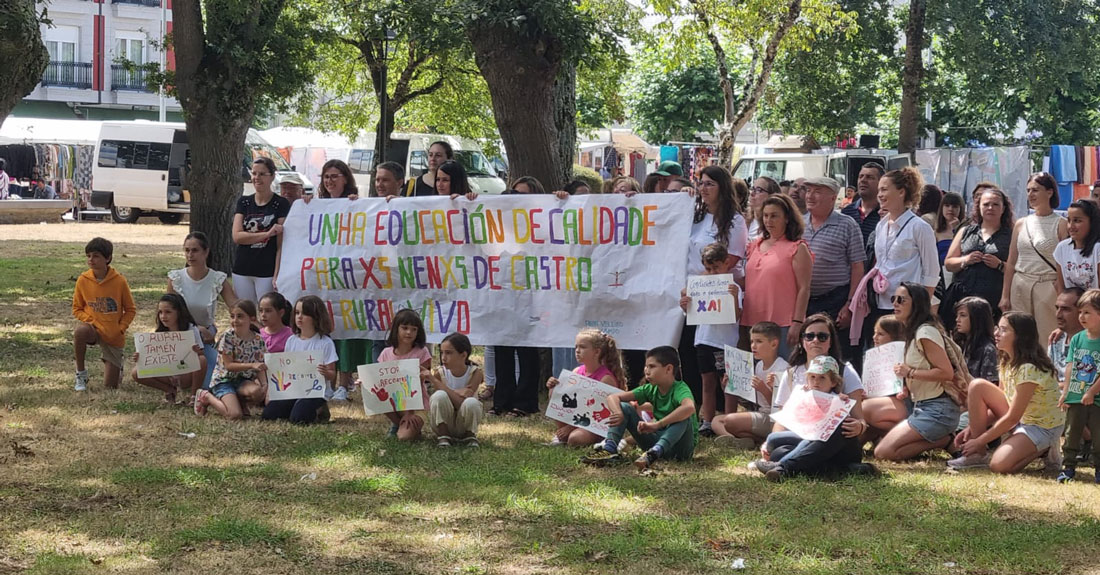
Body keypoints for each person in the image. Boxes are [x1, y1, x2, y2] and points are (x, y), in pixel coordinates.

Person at [948, 313, 1064, 472]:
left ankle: (1046, 448)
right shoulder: (1007, 361)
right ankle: (977, 456)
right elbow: (1002, 403)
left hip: (1041, 426)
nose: (996, 333)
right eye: (997, 328)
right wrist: (972, 428)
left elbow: (1012, 417)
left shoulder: (1028, 368)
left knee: (998, 465)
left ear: (1020, 336)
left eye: (1003, 330)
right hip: (1021, 420)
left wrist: (980, 440)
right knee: (977, 385)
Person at [873, 283, 965, 461]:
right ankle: (943, 440)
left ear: (916, 304)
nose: (895, 304)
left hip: (939, 409)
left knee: (882, 453)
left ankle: (944, 441)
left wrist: (910, 373)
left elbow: (946, 373)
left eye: (901, 300)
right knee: (883, 451)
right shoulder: (913, 332)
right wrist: (908, 388)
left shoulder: (925, 332)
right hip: (921, 406)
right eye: (894, 299)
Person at [857, 167, 939, 351]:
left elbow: (932, 272)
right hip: (880, 302)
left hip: (908, 308)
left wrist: (921, 309)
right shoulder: (881, 225)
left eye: (885, 189)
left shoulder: (919, 227)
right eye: (879, 190)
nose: (880, 195)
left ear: (901, 192)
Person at [753, 355, 869, 481]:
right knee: (777, 449)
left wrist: (855, 421)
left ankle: (783, 467)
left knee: (818, 436)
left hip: (839, 445)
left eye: (822, 378)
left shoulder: (840, 400)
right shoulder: (804, 396)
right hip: (814, 443)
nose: (816, 382)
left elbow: (854, 421)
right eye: (812, 377)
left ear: (833, 382)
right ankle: (846, 470)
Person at [583, 346, 698, 470]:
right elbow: (613, 397)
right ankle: (610, 449)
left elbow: (689, 408)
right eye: (646, 366)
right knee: (624, 407)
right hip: (654, 443)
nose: (646, 371)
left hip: (680, 450)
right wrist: (618, 412)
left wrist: (657, 425)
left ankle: (655, 452)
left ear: (668, 369)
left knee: (683, 417)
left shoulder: (680, 388)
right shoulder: (649, 389)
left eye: (652, 366)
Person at [315, 160, 367, 401]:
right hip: (323, 277)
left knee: (345, 328)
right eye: (326, 176)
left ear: (346, 178)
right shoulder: (315, 206)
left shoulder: (357, 204)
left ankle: (344, 384)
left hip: (348, 277)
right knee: (324, 327)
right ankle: (326, 383)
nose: (330, 181)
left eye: (335, 176)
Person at [802, 176, 866, 368]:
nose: (810, 196)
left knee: (837, 354)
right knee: (807, 352)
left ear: (832, 197)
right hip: (805, 301)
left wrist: (849, 305)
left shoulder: (847, 224)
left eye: (817, 191)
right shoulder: (798, 223)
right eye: (808, 191)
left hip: (835, 300)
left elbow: (857, 266)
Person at [679, 244, 741, 436]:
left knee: (727, 383)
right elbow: (690, 309)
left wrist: (734, 297)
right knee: (707, 382)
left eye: (717, 267)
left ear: (727, 263)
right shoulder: (699, 285)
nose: (713, 272)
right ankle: (707, 421)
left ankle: (731, 420)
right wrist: (684, 304)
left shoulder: (733, 287)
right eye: (709, 268)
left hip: (725, 342)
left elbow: (737, 315)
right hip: (704, 340)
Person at [741, 194, 812, 356]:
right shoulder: (754, 245)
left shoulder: (798, 248)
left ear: (787, 218)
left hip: (783, 325)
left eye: (774, 216)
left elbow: (804, 288)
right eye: (765, 216)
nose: (768, 220)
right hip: (752, 323)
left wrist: (797, 322)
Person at [1001, 172, 1067, 342]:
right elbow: (1011, 261)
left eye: (1036, 190)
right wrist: (1005, 295)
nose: (1031, 194)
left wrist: (1061, 291)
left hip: (1047, 287)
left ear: (1050, 192)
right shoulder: (1021, 223)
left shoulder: (1060, 224)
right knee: (1019, 337)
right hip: (1020, 284)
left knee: (1046, 337)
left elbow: (1065, 262)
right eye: (1029, 190)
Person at [167, 231, 237, 390]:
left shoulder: (217, 279)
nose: (190, 255)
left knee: (212, 382)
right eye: (187, 250)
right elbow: (167, 310)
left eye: (195, 250)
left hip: (205, 336)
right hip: (181, 334)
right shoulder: (175, 278)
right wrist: (194, 328)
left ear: (206, 252)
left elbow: (234, 304)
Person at [940, 188, 1014, 331]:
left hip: (993, 297)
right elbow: (948, 263)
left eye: (995, 204)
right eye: (986, 204)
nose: (990, 208)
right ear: (979, 207)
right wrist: (965, 260)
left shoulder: (1011, 235)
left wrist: (999, 265)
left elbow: (1016, 269)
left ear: (1003, 208)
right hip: (963, 296)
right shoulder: (966, 231)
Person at [72, 237, 136, 392]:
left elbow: (130, 309)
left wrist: (121, 328)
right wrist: (90, 320)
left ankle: (116, 368)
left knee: (110, 387)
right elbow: (76, 308)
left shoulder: (119, 281)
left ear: (107, 258)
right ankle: (81, 373)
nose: (91, 260)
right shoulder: (83, 280)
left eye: (96, 256)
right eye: (88, 256)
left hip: (113, 335)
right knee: (80, 332)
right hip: (93, 329)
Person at [711, 321, 789, 448]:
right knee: (716, 421)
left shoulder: (782, 368)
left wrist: (764, 389)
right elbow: (750, 398)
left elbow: (781, 408)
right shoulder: (758, 365)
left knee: (728, 421)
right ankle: (739, 440)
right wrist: (730, 386)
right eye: (752, 341)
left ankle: (740, 440)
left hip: (774, 419)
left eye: (759, 341)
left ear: (774, 344)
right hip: (760, 413)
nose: (753, 346)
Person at [545, 329, 627, 447]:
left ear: (597, 352)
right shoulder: (577, 372)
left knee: (575, 439)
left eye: (583, 347)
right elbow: (570, 399)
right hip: (578, 421)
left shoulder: (606, 379)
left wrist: (571, 427)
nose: (577, 351)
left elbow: (596, 412)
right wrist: (553, 384)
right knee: (555, 390)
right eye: (576, 347)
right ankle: (562, 434)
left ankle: (571, 434)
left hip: (595, 425)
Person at [261, 296, 336, 425]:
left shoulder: (325, 342)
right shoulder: (292, 340)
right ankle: (296, 406)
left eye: (305, 313)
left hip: (316, 391)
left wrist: (325, 372)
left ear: (316, 316)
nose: (299, 317)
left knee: (299, 418)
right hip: (295, 389)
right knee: (269, 415)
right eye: (297, 313)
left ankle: (320, 410)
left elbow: (332, 374)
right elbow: (286, 367)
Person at [194, 300, 266, 420]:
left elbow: (260, 365)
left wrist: (264, 385)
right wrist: (251, 365)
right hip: (224, 380)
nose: (235, 320)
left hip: (243, 380)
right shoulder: (228, 337)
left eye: (240, 316)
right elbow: (228, 365)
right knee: (234, 415)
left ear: (252, 319)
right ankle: (206, 396)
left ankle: (239, 402)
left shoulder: (259, 340)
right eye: (232, 316)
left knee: (257, 392)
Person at [231, 157, 290, 303]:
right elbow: (237, 236)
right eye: (254, 173)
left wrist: (277, 273)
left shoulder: (280, 204)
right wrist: (267, 234)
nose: (257, 178)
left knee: (267, 315)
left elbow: (281, 245)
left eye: (262, 174)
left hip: (267, 271)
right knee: (246, 313)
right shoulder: (244, 202)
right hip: (242, 268)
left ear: (272, 176)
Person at [130, 294, 205, 404]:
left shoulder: (191, 329)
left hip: (185, 373)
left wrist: (197, 351)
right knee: (136, 372)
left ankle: (194, 396)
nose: (163, 316)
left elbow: (201, 353)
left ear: (179, 312)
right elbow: (153, 357)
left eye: (168, 312)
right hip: (166, 373)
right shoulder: (160, 333)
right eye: (160, 312)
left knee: (202, 360)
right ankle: (169, 390)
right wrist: (140, 358)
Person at [1058, 288, 1100, 482]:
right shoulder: (1077, 339)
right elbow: (1070, 365)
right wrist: (1066, 391)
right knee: (1071, 432)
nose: (1081, 316)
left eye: (1087, 312)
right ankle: (1068, 467)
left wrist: (1092, 391)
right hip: (1076, 395)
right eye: (1080, 312)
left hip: (1096, 399)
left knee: (1098, 436)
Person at [374, 309, 433, 440]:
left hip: (417, 405)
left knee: (403, 438)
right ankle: (397, 423)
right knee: (377, 396)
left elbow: (417, 385)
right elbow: (379, 379)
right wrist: (366, 380)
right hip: (395, 402)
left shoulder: (422, 353)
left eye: (414, 329)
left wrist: (410, 412)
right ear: (396, 329)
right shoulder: (385, 353)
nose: (409, 332)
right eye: (405, 328)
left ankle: (409, 427)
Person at [424, 333, 485, 447]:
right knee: (439, 396)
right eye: (442, 352)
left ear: (463, 355)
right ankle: (443, 436)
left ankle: (469, 435)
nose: (443, 357)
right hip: (445, 422)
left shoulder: (475, 373)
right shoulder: (440, 373)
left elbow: (461, 403)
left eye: (449, 353)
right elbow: (441, 401)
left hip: (464, 423)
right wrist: (457, 392)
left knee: (471, 402)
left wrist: (435, 382)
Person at [1054, 199, 1100, 291]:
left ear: (1092, 222)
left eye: (1077, 221)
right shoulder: (1062, 248)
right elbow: (1061, 286)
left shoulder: (1097, 249)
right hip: (1071, 303)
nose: (1071, 226)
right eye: (1069, 220)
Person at [953, 297, 999, 385]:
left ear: (976, 318)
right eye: (957, 315)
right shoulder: (960, 343)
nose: (957, 319)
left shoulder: (988, 349)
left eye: (963, 315)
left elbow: (989, 385)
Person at [842, 162, 885, 252]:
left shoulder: (886, 214)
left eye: (870, 177)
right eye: (861, 176)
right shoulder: (846, 213)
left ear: (881, 183)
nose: (863, 180)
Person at [1049, 287, 1085, 383]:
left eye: (1066, 309)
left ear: (1081, 312)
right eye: (1057, 308)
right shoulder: (1056, 340)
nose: (1058, 315)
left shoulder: (1092, 343)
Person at [934, 192, 965, 266]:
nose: (950, 209)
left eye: (955, 206)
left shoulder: (967, 230)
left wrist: (957, 230)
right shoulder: (936, 233)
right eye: (947, 206)